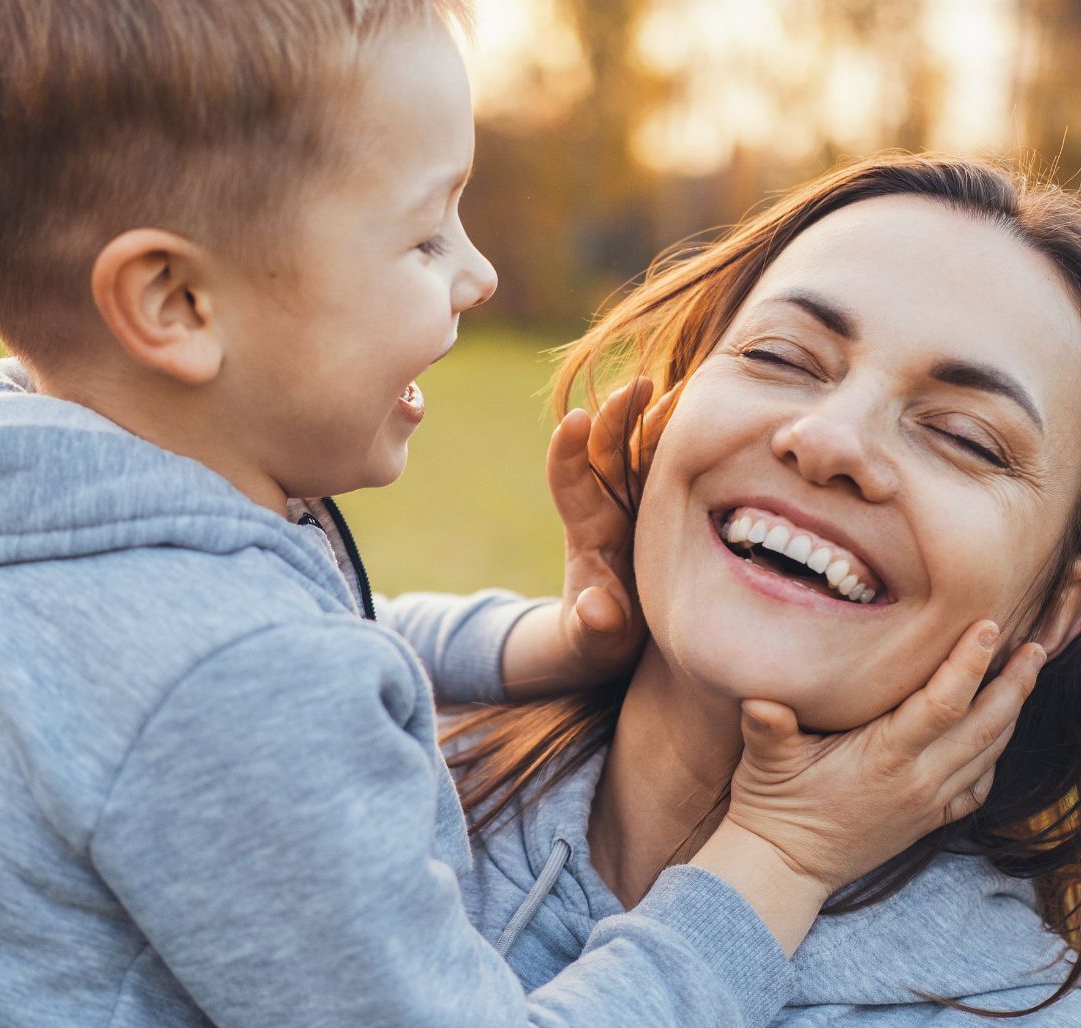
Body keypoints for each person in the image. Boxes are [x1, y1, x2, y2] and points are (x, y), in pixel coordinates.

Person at [0, 0, 1039, 1022]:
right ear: (174, 302)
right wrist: (777, 854)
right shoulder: (231, 693)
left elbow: (308, 641)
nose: (478, 275)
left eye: (969, 437)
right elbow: (266, 664)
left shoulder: (29, 475)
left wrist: (548, 640)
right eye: (425, 234)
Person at [448, 152, 1081, 1021]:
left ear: (1053, 609)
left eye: (966, 436)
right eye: (783, 354)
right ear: (662, 422)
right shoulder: (352, 765)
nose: (829, 440)